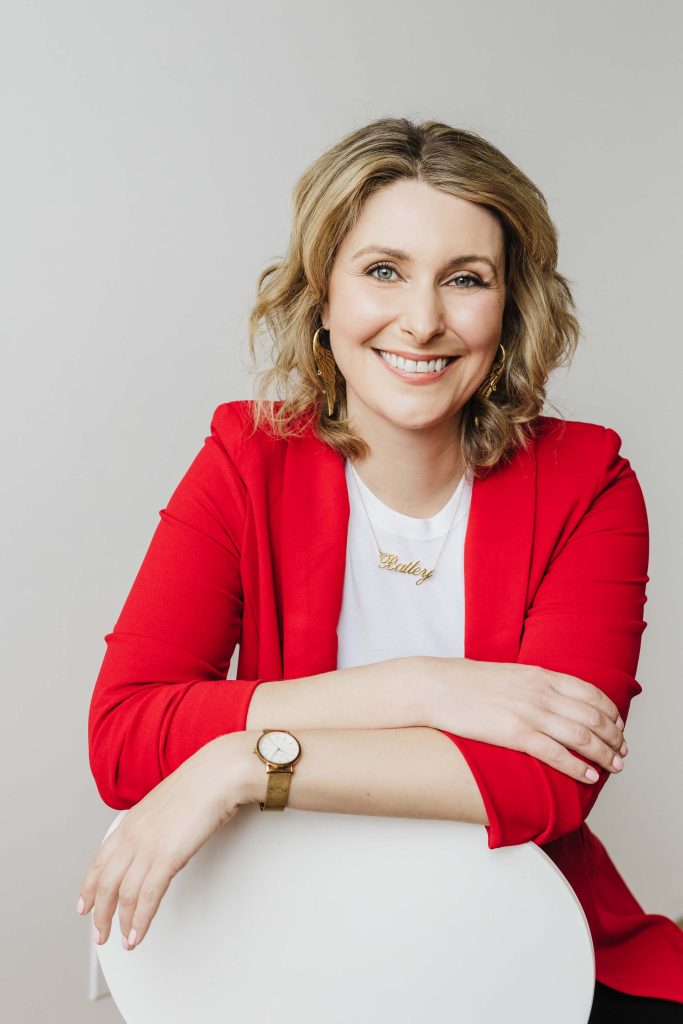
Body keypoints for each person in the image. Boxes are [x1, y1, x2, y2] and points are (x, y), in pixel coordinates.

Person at [78, 118, 683, 1018]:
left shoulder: (587, 480)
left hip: (524, 938)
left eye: (465, 279)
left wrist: (246, 764)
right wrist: (423, 688)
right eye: (383, 271)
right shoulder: (246, 460)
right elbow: (125, 738)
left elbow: (550, 781)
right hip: (280, 934)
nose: (424, 320)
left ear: (509, 305)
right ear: (323, 297)